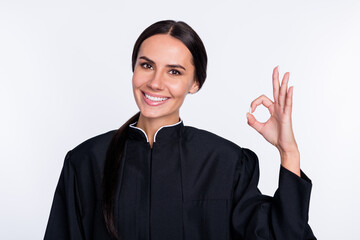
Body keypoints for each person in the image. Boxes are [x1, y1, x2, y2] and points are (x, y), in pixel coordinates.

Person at [44, 20, 316, 240]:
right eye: (147, 65)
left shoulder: (225, 162)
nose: (155, 82)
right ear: (134, 69)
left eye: (174, 72)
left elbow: (282, 235)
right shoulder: (86, 161)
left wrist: (288, 152)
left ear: (195, 83)